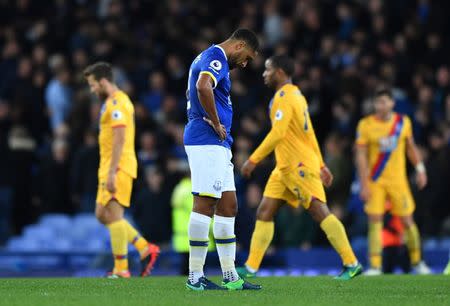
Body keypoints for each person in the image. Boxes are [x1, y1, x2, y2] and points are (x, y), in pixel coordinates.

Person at [236, 55, 362, 281]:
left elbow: (278, 132)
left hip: (298, 165)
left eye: (268, 70)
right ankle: (252, 267)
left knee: (318, 210)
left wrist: (253, 159)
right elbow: (309, 132)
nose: (264, 74)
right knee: (264, 211)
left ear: (281, 72)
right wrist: (322, 163)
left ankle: (351, 262)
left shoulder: (284, 97)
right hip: (284, 167)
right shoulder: (297, 96)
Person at [183, 28, 261, 290]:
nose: (245, 63)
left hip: (217, 143)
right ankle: (195, 276)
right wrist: (216, 123)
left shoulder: (208, 57)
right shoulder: (215, 57)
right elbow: (202, 85)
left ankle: (230, 276)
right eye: (247, 57)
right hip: (206, 139)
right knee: (205, 203)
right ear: (239, 46)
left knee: (229, 206)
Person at [83, 62, 160, 278]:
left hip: (118, 166)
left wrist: (111, 172)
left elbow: (119, 139)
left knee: (114, 215)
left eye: (92, 84)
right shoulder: (110, 102)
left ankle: (121, 268)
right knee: (101, 214)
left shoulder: (118, 102)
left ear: (103, 81)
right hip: (108, 166)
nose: (92, 89)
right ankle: (144, 247)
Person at [355, 88, 431, 275]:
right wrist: (364, 183)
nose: (381, 106)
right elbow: (361, 156)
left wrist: (420, 169)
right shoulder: (365, 125)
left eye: (384, 102)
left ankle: (417, 262)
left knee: (407, 220)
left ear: (392, 103)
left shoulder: (403, 122)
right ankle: (375, 265)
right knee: (375, 220)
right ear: (374, 104)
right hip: (375, 181)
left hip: (398, 181)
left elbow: (411, 148)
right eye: (378, 102)